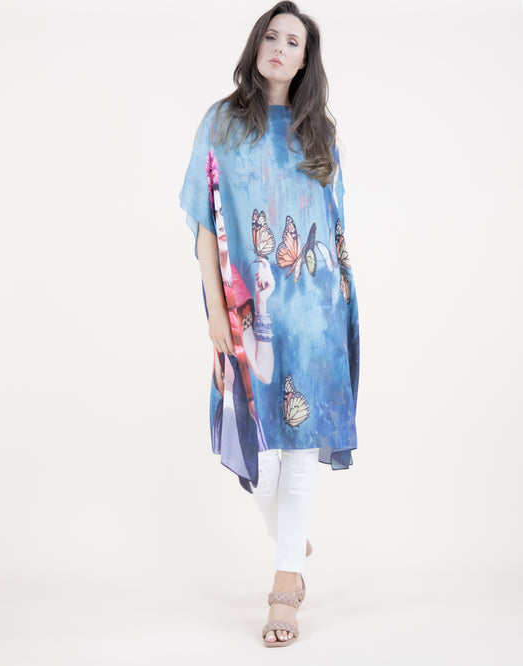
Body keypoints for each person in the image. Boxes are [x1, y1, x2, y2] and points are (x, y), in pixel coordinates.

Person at [179, 1, 360, 647]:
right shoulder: (221, 122)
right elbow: (206, 223)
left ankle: (285, 584)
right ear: (256, 45)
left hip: (313, 310)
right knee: (254, 445)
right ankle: (291, 535)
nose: (280, 48)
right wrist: (213, 312)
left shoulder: (319, 133)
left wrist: (338, 309)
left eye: (293, 42)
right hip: (245, 310)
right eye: (272, 36)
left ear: (305, 60)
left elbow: (332, 229)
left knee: (302, 443)